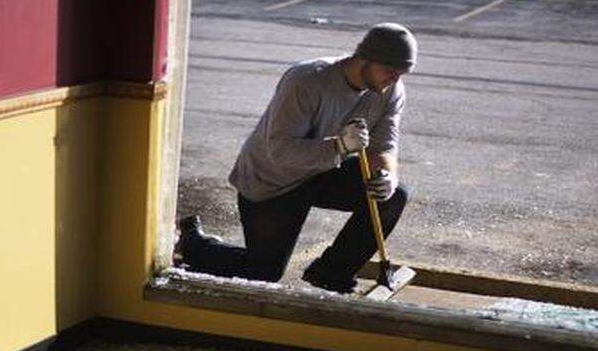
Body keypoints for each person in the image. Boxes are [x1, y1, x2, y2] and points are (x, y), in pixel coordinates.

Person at [176, 23, 417, 294]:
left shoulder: (389, 91)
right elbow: (280, 151)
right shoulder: (307, 80)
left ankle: (331, 273)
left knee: (392, 196)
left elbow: (385, 147)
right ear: (366, 58)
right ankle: (194, 245)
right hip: (272, 180)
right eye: (390, 71)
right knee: (263, 273)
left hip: (324, 170)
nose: (395, 80)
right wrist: (339, 146)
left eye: (402, 73)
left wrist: (387, 176)